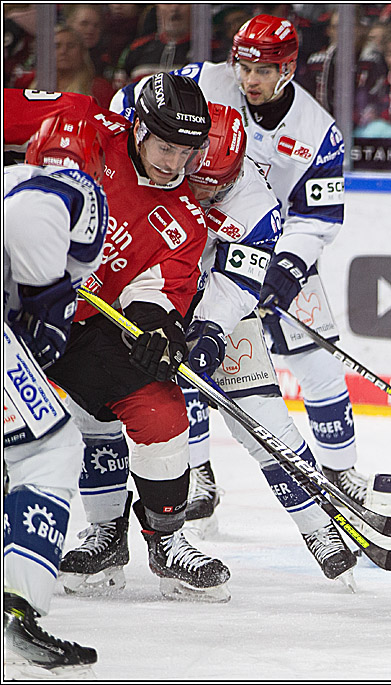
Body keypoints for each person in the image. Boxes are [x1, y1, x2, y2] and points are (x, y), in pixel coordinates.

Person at [111, 14, 370, 520]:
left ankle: (340, 471)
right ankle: (200, 472)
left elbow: (317, 216)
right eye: (244, 66)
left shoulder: (319, 130)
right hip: (193, 245)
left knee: (318, 364)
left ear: (289, 69)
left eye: (265, 69)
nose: (250, 79)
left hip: (277, 251)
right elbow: (133, 110)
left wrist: (286, 268)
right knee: (191, 357)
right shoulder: (202, 81)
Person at [4, 78, 231, 602]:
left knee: (161, 411)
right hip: (11, 302)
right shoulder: (82, 120)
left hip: (81, 326)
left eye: (186, 152)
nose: (174, 164)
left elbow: (159, 293)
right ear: (140, 127)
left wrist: (158, 329)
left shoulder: (184, 218)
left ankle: (167, 540)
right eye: (165, 146)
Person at [174, 103, 357, 584]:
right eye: (197, 175)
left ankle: (321, 525)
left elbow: (236, 286)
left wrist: (211, 328)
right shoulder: (164, 163)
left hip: (218, 305)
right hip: (152, 301)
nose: (203, 190)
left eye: (217, 182)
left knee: (266, 422)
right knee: (153, 423)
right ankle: (167, 532)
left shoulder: (256, 204)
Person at [3, 113, 108, 677]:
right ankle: (17, 608)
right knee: (49, 449)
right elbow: (35, 210)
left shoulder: (11, 176)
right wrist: (47, 298)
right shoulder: (71, 185)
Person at [13, 26, 115, 106]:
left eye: (71, 46)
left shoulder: (100, 89)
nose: (63, 51)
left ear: (82, 52)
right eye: (57, 46)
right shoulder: (26, 82)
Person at [114, 4, 193, 88]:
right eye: (168, 3)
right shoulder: (136, 49)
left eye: (182, 3)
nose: (174, 7)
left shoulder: (205, 50)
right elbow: (120, 93)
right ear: (158, 8)